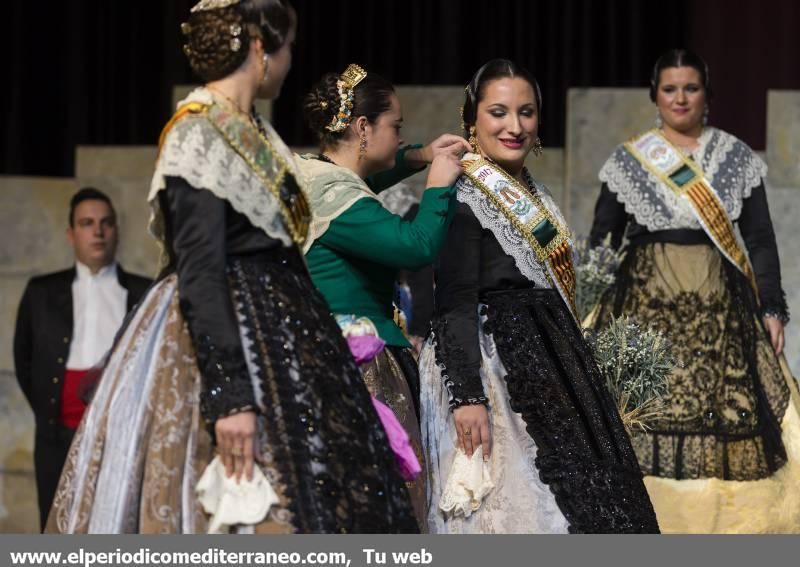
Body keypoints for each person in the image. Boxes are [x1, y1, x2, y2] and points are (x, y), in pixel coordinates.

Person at [46, 0, 417, 534]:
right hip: (227, 339)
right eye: (287, 48)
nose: (291, 62)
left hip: (284, 327)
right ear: (262, 49)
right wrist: (230, 397)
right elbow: (198, 269)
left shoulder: (258, 133)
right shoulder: (197, 133)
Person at [420, 59, 660, 534]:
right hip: (495, 365)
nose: (515, 126)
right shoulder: (464, 194)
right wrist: (467, 396)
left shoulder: (532, 188)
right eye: (498, 112)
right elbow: (454, 301)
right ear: (472, 119)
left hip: (550, 360)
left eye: (526, 112)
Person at [588, 48, 800, 533]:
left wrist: (771, 305)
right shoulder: (630, 160)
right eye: (669, 89)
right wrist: (588, 305)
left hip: (720, 314)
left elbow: (760, 238)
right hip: (644, 311)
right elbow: (602, 240)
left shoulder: (735, 156)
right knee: (642, 415)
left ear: (706, 93)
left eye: (691, 88)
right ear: (654, 96)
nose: (680, 98)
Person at [297, 64, 469, 528]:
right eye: (396, 127)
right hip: (361, 367)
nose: (400, 137)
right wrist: (438, 185)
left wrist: (420, 155)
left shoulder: (317, 178)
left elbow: (364, 180)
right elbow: (416, 247)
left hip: (337, 359)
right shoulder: (336, 197)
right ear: (362, 127)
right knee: (381, 507)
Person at [13, 187, 151, 531]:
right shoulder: (40, 292)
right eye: (87, 223)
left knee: (115, 528)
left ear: (116, 230)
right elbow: (24, 359)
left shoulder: (144, 292)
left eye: (106, 223)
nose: (98, 231)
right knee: (57, 527)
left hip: (119, 438)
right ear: (71, 234)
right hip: (55, 437)